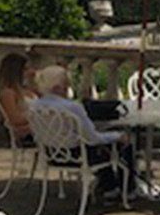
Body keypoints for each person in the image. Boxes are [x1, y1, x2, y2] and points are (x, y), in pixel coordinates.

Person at [32, 64, 131, 198]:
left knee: (103, 145)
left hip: (51, 154)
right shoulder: (72, 107)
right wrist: (117, 136)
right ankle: (127, 188)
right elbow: (93, 138)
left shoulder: (34, 106)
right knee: (121, 144)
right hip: (77, 156)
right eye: (67, 84)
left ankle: (109, 184)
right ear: (59, 87)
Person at [0, 52, 38, 142]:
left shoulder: (28, 89)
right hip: (26, 132)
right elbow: (15, 119)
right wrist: (37, 116)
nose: (30, 71)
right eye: (25, 69)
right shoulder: (8, 92)